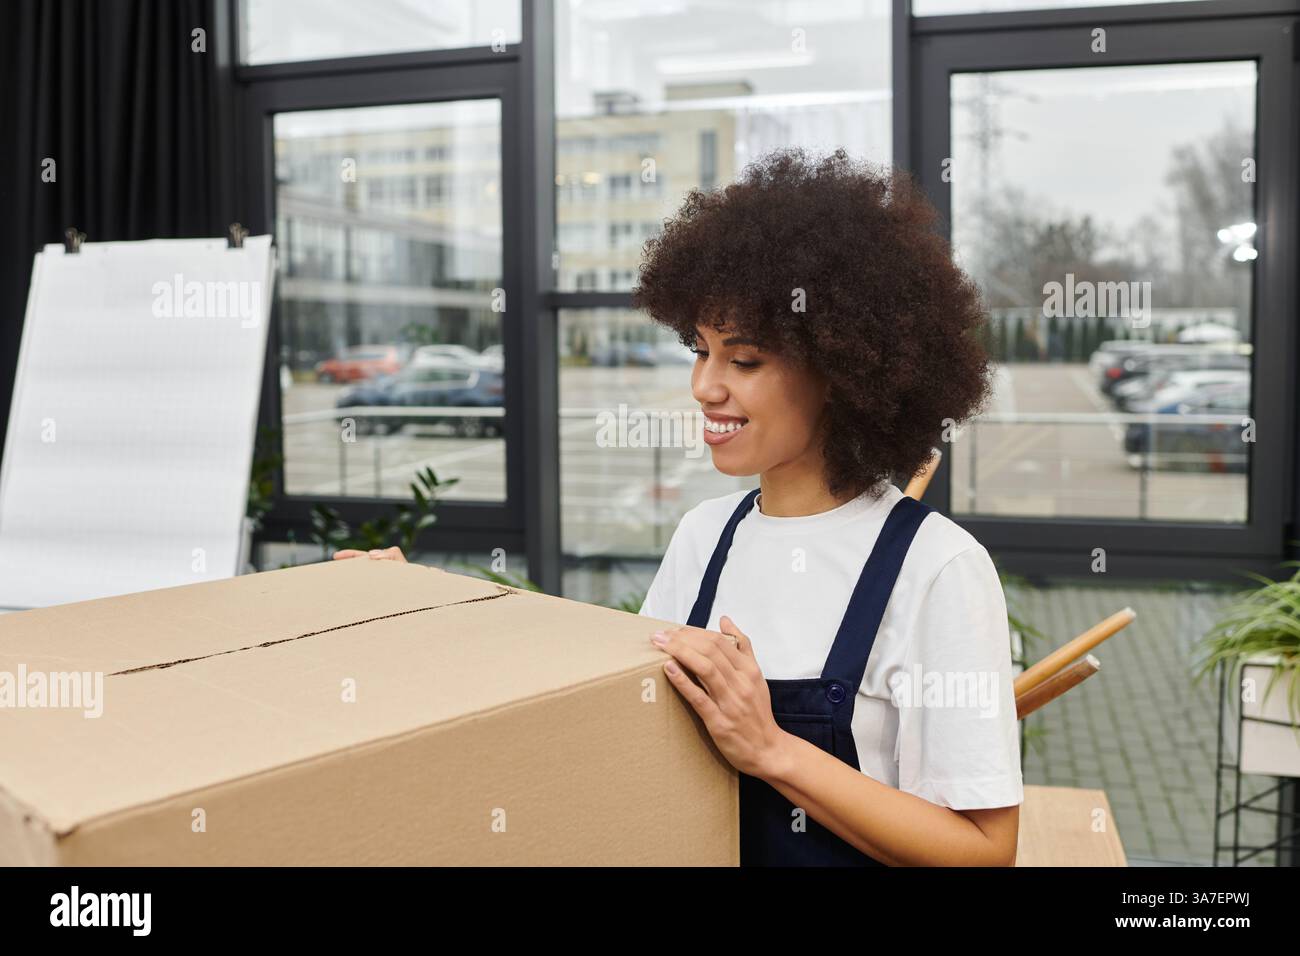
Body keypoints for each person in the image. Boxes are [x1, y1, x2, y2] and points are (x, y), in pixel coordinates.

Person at [338, 147, 1023, 866]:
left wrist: (771, 751)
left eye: (744, 360)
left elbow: (983, 851)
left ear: (843, 370)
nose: (704, 385)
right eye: (699, 350)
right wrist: (421, 609)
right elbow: (607, 720)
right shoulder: (706, 537)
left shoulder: (938, 568)